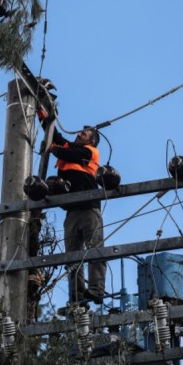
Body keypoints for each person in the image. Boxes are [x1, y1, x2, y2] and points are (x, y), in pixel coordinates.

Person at [47, 125, 106, 305]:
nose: (79, 134)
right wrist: (44, 114)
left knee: (94, 248)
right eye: (79, 132)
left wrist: (53, 149)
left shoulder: (91, 152)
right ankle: (76, 296)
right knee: (72, 257)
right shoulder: (71, 147)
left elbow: (67, 154)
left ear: (92, 140)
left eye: (84, 134)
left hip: (89, 208)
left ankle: (96, 290)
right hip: (72, 211)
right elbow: (54, 135)